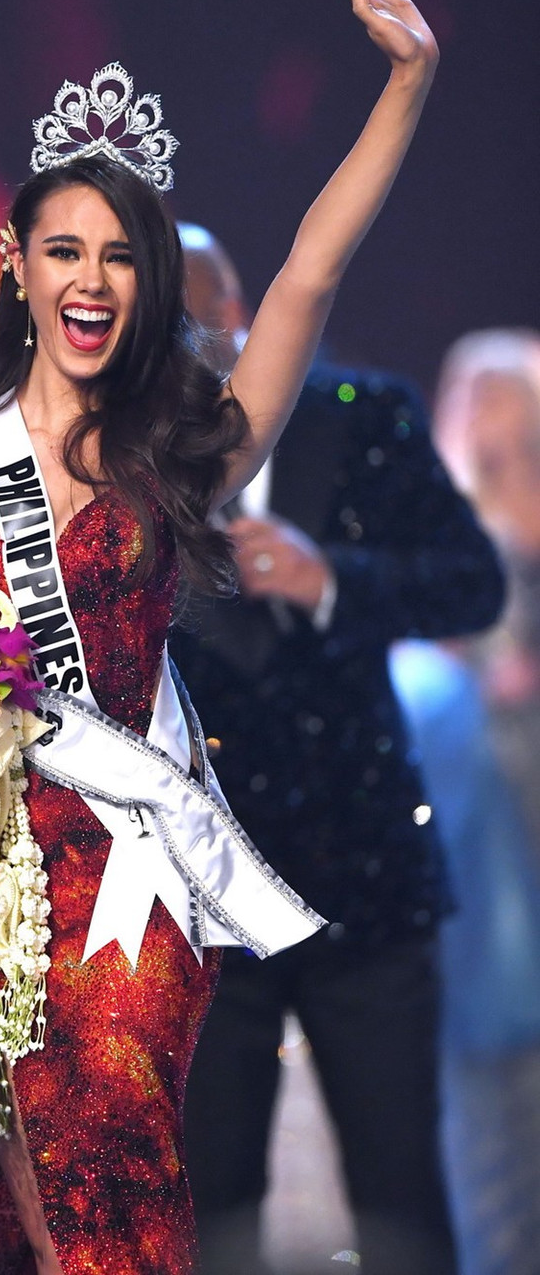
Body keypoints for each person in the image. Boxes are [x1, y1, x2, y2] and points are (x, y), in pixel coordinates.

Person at [0, 0, 441, 1275]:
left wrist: (407, 85)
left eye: (120, 256)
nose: (91, 280)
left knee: (110, 1216)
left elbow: (309, 273)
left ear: (148, 282)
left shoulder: (180, 451)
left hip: (121, 895)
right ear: (15, 264)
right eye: (63, 250)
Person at [173, 227, 504, 1274]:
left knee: (399, 1196)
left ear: (245, 317)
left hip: (364, 873)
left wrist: (334, 581)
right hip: (199, 899)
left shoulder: (362, 419)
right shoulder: (109, 459)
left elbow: (472, 583)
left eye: (197, 314)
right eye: (156, 323)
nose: (181, 343)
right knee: (210, 1206)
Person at [392, 329, 540, 1275]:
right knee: (490, 1085)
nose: (489, 415)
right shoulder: (432, 525)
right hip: (475, 820)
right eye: (473, 395)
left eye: (508, 394)